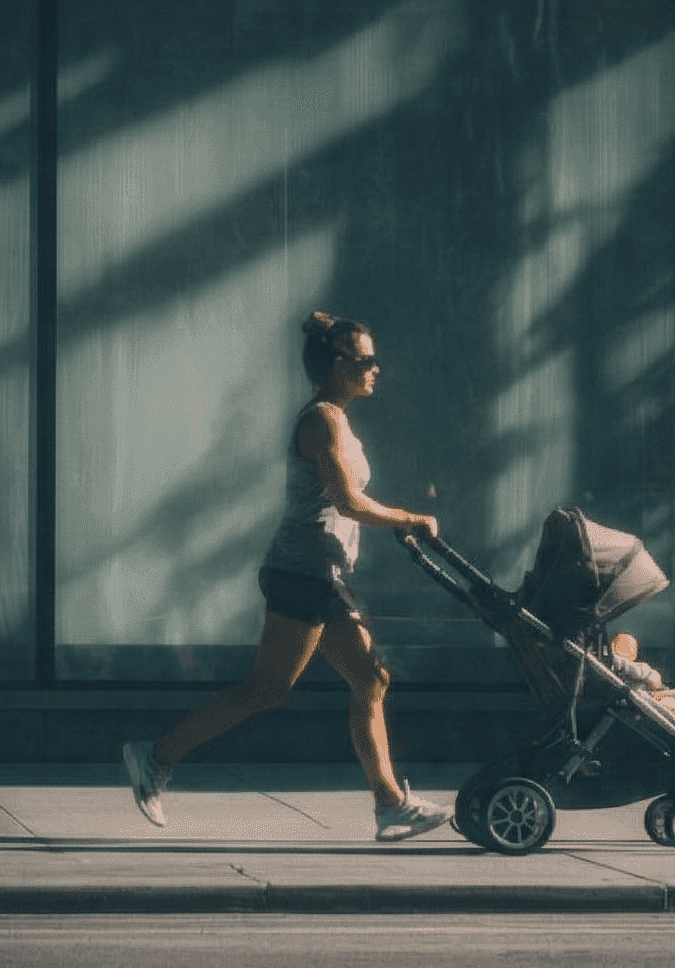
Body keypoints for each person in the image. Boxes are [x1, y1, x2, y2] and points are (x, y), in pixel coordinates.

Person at [120, 311, 456, 840]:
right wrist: (410, 519)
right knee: (267, 690)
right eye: (365, 359)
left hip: (320, 574)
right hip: (304, 573)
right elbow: (347, 501)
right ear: (335, 365)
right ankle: (156, 757)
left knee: (369, 679)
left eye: (374, 359)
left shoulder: (337, 418)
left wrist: (397, 525)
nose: (376, 368)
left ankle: (391, 806)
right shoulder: (322, 419)